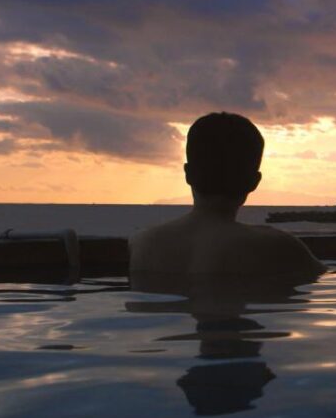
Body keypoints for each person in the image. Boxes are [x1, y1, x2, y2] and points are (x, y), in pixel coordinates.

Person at [129, 112, 325, 287]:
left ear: (188, 174)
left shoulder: (142, 244)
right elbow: (321, 281)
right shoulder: (278, 246)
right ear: (254, 182)